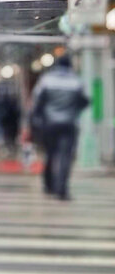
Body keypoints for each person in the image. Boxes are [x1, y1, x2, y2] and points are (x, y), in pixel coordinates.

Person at [30, 54, 90, 200]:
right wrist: (73, 111)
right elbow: (84, 101)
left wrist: (37, 121)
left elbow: (37, 103)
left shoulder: (46, 80)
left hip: (49, 124)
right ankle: (62, 189)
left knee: (50, 154)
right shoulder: (76, 81)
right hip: (69, 124)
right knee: (65, 156)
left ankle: (48, 184)